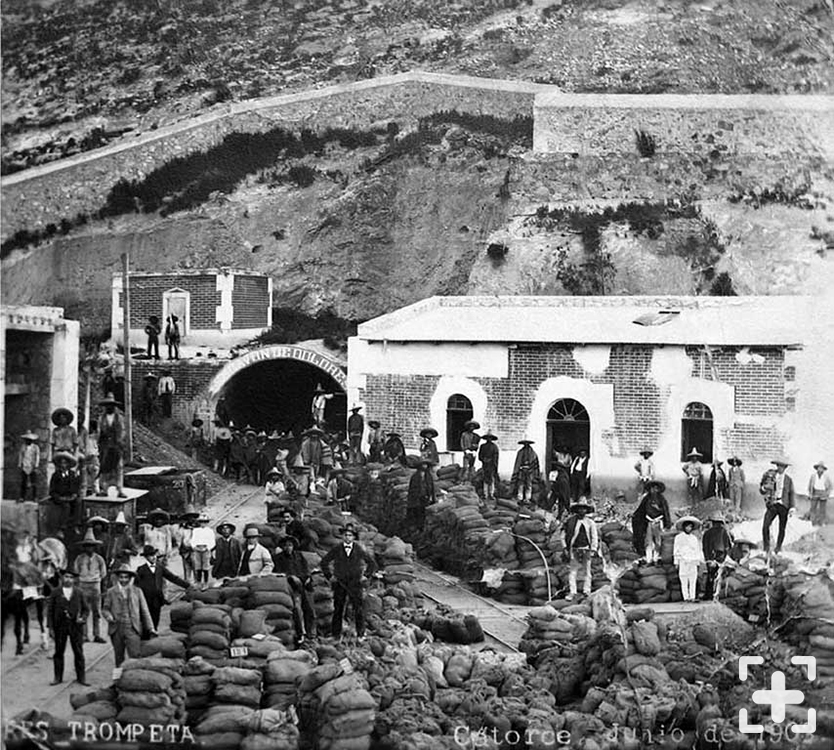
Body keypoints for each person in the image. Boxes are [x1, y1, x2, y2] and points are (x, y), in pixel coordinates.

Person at [320, 524, 377, 640]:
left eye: (350, 535)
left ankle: (360, 634)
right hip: (340, 583)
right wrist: (330, 576)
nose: (347, 537)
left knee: (358, 609)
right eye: (345, 535)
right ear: (342, 536)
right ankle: (336, 635)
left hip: (355, 583)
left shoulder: (358, 549)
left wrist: (365, 576)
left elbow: (371, 563)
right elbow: (324, 562)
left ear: (354, 537)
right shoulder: (337, 549)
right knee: (338, 609)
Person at [102, 565, 156, 667]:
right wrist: (108, 616)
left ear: (130, 578)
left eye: (126, 577)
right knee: (119, 658)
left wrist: (151, 628)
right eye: (121, 577)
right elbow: (105, 609)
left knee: (135, 655)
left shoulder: (137, 591)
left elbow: (145, 611)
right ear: (118, 578)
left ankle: (134, 679)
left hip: (132, 628)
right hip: (116, 629)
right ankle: (118, 681)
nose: (123, 580)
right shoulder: (111, 592)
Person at [46, 569, 88, 686]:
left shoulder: (79, 592)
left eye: (71, 577)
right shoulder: (55, 592)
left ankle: (81, 678)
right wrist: (50, 628)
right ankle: (57, 677)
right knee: (59, 652)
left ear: (74, 580)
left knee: (78, 652)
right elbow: (50, 611)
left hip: (75, 627)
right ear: (62, 579)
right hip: (60, 627)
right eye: (66, 577)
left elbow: (86, 609)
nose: (68, 579)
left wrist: (83, 618)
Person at [272, 535, 315, 643]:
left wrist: (308, 578)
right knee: (297, 609)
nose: (288, 548)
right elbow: (278, 573)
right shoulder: (278, 558)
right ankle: (301, 634)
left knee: (310, 609)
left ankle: (312, 634)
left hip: (304, 585)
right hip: (291, 587)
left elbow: (306, 569)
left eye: (290, 545)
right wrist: (290, 577)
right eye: (285, 546)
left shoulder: (299, 555)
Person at [135, 546, 190, 629]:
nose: (154, 557)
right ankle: (146, 634)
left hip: (157, 598)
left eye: (154, 555)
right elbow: (136, 585)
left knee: (156, 618)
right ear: (146, 557)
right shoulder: (141, 570)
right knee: (145, 618)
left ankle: (154, 632)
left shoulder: (159, 567)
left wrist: (187, 585)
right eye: (151, 555)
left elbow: (172, 577)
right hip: (145, 598)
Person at [9, 530, 46, 654]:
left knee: (29, 575)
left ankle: (42, 632)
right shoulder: (16, 548)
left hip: (27, 569)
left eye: (24, 537)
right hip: (18, 568)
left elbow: (34, 559)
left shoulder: (31, 547)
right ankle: (21, 641)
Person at [73, 529, 107, 644]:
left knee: (96, 611)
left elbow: (103, 573)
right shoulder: (79, 559)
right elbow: (75, 572)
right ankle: (84, 635)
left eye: (91, 546)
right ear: (84, 547)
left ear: (95, 547)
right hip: (83, 585)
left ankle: (97, 634)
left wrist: (96, 581)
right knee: (84, 611)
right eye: (87, 546)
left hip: (95, 586)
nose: (89, 549)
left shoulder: (99, 559)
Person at [562, 500, 598, 601]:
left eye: (584, 508)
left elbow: (594, 536)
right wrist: (565, 547)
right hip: (574, 549)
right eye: (580, 508)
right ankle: (572, 592)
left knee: (587, 571)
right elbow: (563, 535)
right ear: (577, 510)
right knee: (573, 571)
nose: (582, 510)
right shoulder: (570, 521)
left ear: (586, 510)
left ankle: (587, 591)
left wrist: (594, 549)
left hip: (586, 549)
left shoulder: (590, 523)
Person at [760, 458, 795, 554]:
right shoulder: (770, 476)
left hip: (783, 505)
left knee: (782, 528)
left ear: (785, 468)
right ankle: (766, 548)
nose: (780, 468)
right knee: (765, 525)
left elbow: (791, 493)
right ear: (777, 466)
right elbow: (762, 488)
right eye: (779, 466)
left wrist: (792, 507)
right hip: (773, 504)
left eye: (783, 467)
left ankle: (778, 548)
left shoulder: (788, 480)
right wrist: (764, 488)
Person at [631, 480, 672, 563]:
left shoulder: (662, 499)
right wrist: (634, 515)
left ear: (658, 490)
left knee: (658, 542)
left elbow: (665, 511)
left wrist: (667, 523)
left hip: (658, 522)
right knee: (648, 541)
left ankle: (656, 558)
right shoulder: (646, 498)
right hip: (648, 522)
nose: (654, 490)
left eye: (656, 488)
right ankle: (649, 559)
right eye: (652, 488)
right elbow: (641, 509)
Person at [98, 394, 126, 497]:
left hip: (116, 445)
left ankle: (120, 489)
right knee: (105, 467)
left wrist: (119, 441)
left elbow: (122, 431)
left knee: (118, 467)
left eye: (111, 405)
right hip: (105, 446)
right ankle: (104, 489)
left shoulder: (119, 418)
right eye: (108, 405)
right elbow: (99, 431)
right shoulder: (102, 418)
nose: (110, 407)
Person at [702, 513, 733, 600]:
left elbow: (705, 547)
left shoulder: (710, 533)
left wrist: (708, 558)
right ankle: (713, 594)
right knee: (716, 575)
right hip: (718, 556)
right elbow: (728, 546)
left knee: (713, 575)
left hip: (715, 556)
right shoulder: (723, 532)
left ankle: (710, 594)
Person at [673, 516, 704, 602]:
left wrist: (698, 562)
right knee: (684, 579)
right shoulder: (678, 537)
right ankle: (686, 597)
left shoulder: (694, 538)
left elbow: (697, 550)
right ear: (684, 527)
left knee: (693, 580)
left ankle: (692, 597)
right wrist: (676, 562)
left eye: (690, 527)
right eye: (687, 526)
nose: (688, 528)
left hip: (693, 561)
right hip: (683, 561)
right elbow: (676, 550)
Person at [49, 451, 82, 531]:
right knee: (66, 506)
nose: (63, 465)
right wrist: (59, 498)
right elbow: (52, 490)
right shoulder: (56, 475)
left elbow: (76, 487)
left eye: (65, 463)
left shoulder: (72, 474)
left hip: (70, 497)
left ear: (68, 465)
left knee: (78, 502)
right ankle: (62, 528)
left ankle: (75, 525)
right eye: (62, 463)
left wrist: (74, 495)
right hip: (60, 498)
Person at [406, 460, 436, 531]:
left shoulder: (429, 476)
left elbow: (432, 487)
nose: (425, 466)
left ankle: (422, 527)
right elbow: (412, 489)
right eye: (423, 465)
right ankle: (418, 527)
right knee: (418, 512)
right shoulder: (415, 476)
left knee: (424, 512)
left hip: (426, 497)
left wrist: (432, 497)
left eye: (426, 465)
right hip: (417, 498)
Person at [190, 514, 216, 587]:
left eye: (205, 522)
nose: (203, 524)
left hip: (206, 549)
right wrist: (194, 547)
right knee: (198, 567)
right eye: (201, 522)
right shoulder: (196, 530)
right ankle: (198, 582)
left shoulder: (210, 531)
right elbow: (193, 540)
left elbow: (212, 542)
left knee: (205, 567)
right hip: (197, 549)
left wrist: (207, 548)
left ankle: (205, 582)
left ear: (207, 523)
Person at [77, 415, 99, 498]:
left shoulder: (94, 437)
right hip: (84, 461)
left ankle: (95, 502)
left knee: (94, 484)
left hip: (93, 461)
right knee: (84, 485)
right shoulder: (82, 436)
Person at [512, 439, 540, 505]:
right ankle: (520, 498)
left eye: (527, 444)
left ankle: (527, 498)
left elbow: (534, 463)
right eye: (525, 444)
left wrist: (531, 469)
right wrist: (519, 469)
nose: (526, 445)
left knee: (528, 485)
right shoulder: (520, 452)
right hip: (522, 470)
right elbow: (518, 463)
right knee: (520, 484)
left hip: (530, 471)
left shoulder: (533, 453)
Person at [18, 431, 40, 503]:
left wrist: (36, 466)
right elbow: (21, 455)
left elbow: (37, 456)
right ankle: (22, 497)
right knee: (23, 482)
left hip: (32, 466)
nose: (28, 441)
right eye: (27, 439)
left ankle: (35, 497)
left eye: (29, 439)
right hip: (25, 465)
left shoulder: (35, 447)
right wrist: (20, 464)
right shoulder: (23, 447)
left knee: (34, 483)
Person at [808, 461, 832, 527]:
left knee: (822, 509)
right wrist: (810, 494)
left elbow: (830, 486)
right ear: (817, 468)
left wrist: (827, 494)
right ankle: (812, 522)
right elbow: (810, 485)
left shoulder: (826, 477)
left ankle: (822, 523)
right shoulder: (813, 476)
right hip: (815, 492)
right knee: (813, 508)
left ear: (823, 469)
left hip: (823, 493)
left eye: (822, 468)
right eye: (819, 468)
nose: (820, 469)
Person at [478, 431, 500, 503]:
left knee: (491, 479)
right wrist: (483, 459)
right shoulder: (482, 446)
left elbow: (496, 456)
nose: (489, 439)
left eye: (490, 438)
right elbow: (480, 456)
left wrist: (492, 462)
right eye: (487, 438)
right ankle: (485, 494)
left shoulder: (494, 447)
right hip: (485, 464)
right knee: (485, 479)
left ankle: (491, 494)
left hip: (492, 465)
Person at [548, 453, 572, 519]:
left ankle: (562, 515)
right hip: (557, 490)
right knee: (553, 502)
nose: (556, 467)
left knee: (563, 502)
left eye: (558, 466)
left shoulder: (563, 475)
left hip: (562, 490)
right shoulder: (558, 473)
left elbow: (563, 485)